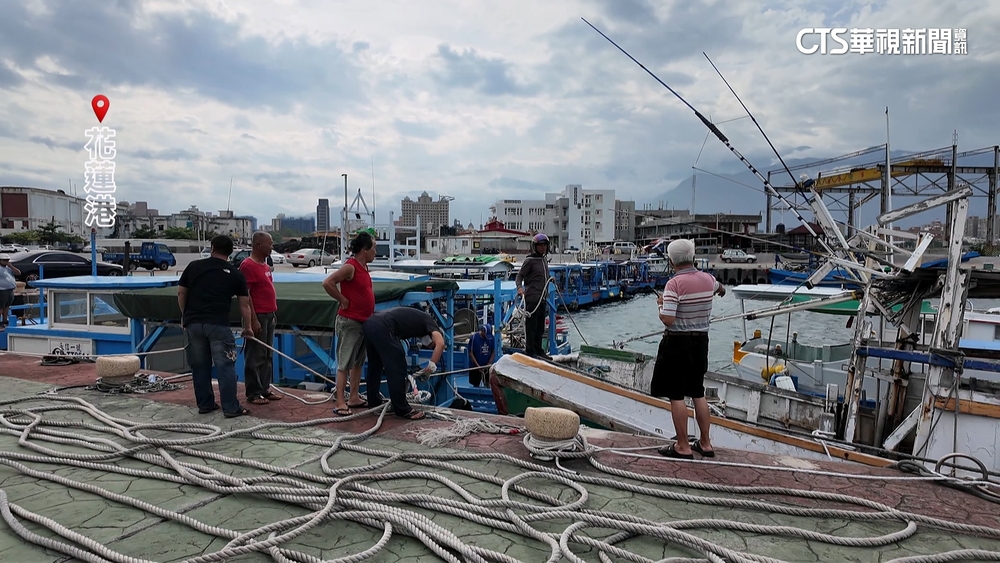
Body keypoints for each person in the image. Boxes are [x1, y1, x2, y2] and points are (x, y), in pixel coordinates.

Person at [651, 238, 725, 459]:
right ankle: (705, 443)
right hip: (701, 341)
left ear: (672, 261)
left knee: (676, 395)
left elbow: (669, 319)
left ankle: (682, 446)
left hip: (677, 342)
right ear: (692, 258)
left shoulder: (674, 284)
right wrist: (717, 290)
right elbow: (720, 289)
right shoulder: (708, 279)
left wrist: (662, 305)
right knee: (697, 392)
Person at [177, 235, 255, 418]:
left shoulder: (194, 267)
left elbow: (181, 293)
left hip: (194, 323)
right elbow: (245, 304)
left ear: (212, 248)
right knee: (225, 366)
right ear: (230, 252)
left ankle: (205, 404)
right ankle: (230, 407)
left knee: (199, 365)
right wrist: (248, 327)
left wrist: (185, 316)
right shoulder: (235, 273)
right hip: (218, 324)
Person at [322, 231, 377, 416]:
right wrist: (342, 299)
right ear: (364, 249)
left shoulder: (365, 267)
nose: (375, 252)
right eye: (374, 248)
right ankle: (340, 401)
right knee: (344, 363)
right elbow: (328, 282)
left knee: (358, 362)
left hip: (364, 322)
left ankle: (353, 396)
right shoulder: (350, 267)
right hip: (350, 321)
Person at [362, 307, 445, 420]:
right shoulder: (430, 322)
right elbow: (440, 344)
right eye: (431, 345)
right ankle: (402, 409)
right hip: (384, 326)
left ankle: (374, 402)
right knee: (398, 366)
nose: (431, 347)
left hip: (369, 323)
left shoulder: (418, 322)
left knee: (375, 366)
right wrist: (431, 366)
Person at [239, 231, 280, 405]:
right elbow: (246, 296)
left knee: (267, 354)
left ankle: (264, 388)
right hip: (259, 316)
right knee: (255, 355)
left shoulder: (264, 265)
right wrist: (252, 320)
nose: (272, 247)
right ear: (258, 245)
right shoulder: (248, 266)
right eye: (269, 244)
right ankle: (254, 392)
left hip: (270, 314)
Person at [516, 233, 551, 360]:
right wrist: (519, 288)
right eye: (540, 245)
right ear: (535, 247)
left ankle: (539, 350)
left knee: (540, 327)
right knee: (531, 327)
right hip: (532, 299)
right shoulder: (529, 260)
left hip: (542, 299)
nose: (543, 248)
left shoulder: (544, 260)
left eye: (545, 245)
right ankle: (530, 351)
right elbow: (519, 276)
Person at [0, 254, 19, 328]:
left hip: (10, 289)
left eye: (7, 260)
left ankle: (5, 320)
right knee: (1, 306)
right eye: (4, 260)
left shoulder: (8, 268)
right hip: (2, 290)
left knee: (7, 306)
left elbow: (18, 273)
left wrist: (11, 266)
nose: (6, 262)